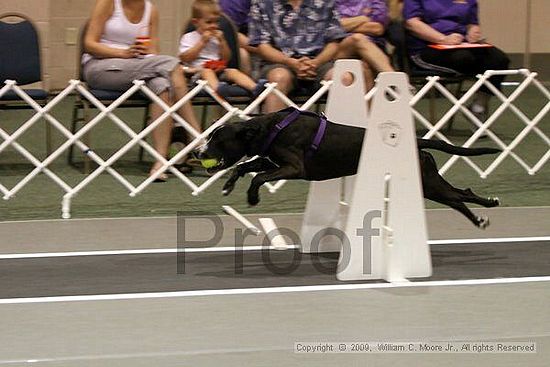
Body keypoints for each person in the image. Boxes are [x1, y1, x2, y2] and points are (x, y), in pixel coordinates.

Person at [83, 0, 202, 181]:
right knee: (171, 65)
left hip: (137, 68)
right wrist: (123, 53)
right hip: (100, 67)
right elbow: (90, 44)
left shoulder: (151, 10)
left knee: (162, 85)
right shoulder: (108, 3)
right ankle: (196, 135)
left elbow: (153, 51)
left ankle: (160, 162)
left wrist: (145, 55)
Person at [403, 0, 510, 120]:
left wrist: (472, 31)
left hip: (460, 44)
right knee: (463, 58)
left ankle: (479, 106)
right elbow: (411, 23)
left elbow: (472, 22)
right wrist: (442, 39)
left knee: (499, 60)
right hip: (427, 46)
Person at [248, 0, 348, 113]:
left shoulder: (326, 2)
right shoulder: (262, 3)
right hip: (278, 62)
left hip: (320, 61)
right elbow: (263, 46)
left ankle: (342, 129)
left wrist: (315, 62)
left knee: (343, 77)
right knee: (278, 78)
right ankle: (277, 129)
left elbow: (334, 43)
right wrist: (289, 61)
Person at [178, 0, 265, 98]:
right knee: (207, 71)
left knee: (232, 71)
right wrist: (202, 43)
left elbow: (226, 58)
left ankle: (255, 88)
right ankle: (218, 89)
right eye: (209, 22)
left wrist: (222, 42)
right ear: (196, 22)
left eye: (216, 22)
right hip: (198, 73)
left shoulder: (217, 37)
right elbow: (185, 58)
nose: (213, 26)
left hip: (218, 70)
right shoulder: (189, 37)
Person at [335, 0, 396, 90]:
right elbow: (334, 27)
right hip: (339, 48)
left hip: (373, 47)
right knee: (357, 38)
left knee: (364, 67)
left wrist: (348, 24)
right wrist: (363, 18)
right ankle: (397, 83)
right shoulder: (332, 2)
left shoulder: (376, 2)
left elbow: (377, 28)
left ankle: (366, 104)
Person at [218, 0, 257, 76]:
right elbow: (229, 31)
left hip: (279, 47)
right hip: (253, 49)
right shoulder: (232, 3)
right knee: (243, 55)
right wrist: (262, 49)